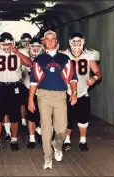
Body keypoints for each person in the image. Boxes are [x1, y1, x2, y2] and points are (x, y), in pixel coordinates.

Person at [28, 30, 78, 169]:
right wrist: (30, 100)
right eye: (47, 39)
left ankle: (57, 145)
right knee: (45, 128)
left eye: (52, 39)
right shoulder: (38, 60)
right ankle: (48, 158)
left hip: (61, 95)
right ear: (44, 42)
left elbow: (72, 78)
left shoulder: (65, 59)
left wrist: (73, 93)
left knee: (62, 129)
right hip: (43, 95)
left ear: (56, 41)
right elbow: (33, 82)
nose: (50, 41)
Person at [60, 32, 102, 152]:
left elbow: (98, 72)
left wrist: (94, 78)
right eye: (74, 42)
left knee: (83, 118)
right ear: (70, 43)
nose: (77, 45)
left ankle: (83, 141)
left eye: (79, 42)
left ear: (83, 43)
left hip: (83, 91)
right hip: (67, 91)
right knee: (67, 118)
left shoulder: (89, 55)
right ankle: (67, 140)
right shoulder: (64, 55)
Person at [21, 38, 44, 149]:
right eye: (33, 47)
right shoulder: (24, 58)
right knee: (30, 116)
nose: (35, 49)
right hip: (28, 89)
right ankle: (31, 139)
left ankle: (40, 132)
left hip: (43, 91)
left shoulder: (47, 58)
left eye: (38, 47)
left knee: (43, 115)